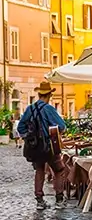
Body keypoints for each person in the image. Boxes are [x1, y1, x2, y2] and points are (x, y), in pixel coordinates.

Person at [18, 82, 67, 210]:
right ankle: (59, 199)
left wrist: (28, 137)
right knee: (59, 170)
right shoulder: (49, 109)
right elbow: (62, 126)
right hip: (49, 145)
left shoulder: (30, 108)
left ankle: (39, 201)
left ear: (39, 94)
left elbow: (20, 128)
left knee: (39, 171)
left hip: (35, 147)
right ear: (49, 95)